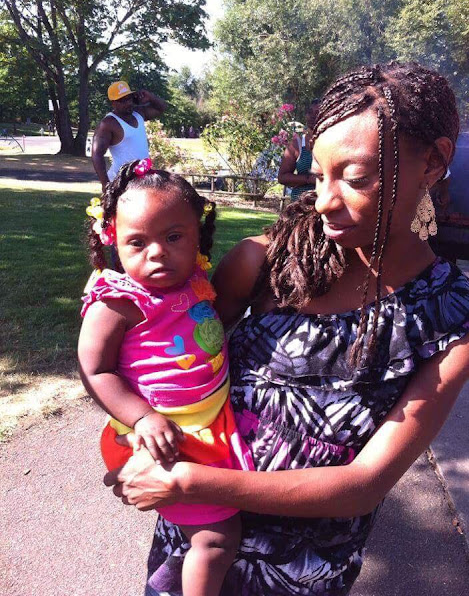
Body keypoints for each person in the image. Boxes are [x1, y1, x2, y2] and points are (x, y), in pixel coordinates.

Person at [105, 62, 469, 596]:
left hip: (303, 573)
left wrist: (187, 480)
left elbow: (363, 486)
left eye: (355, 178)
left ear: (434, 162)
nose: (324, 200)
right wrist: (136, 432)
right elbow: (168, 361)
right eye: (319, 176)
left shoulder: (450, 318)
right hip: (195, 543)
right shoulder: (267, 263)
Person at [78, 159, 252, 596]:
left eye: (173, 237)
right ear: (113, 240)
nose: (156, 252)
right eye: (137, 242)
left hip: (209, 424)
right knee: (215, 540)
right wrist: (142, 418)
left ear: (198, 236)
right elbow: (95, 370)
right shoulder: (117, 302)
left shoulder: (195, 282)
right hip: (163, 435)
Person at [91, 81, 167, 191]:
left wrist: (150, 97)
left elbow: (162, 108)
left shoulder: (139, 113)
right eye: (122, 100)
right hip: (121, 182)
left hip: (142, 179)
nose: (128, 103)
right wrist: (105, 184)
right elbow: (97, 154)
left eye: (129, 98)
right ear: (113, 103)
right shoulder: (108, 123)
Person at [278, 99, 320, 201]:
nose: (312, 116)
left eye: (317, 112)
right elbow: (282, 177)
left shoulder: (334, 142)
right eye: (310, 112)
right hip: (300, 204)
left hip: (326, 202)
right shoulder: (297, 144)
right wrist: (308, 179)